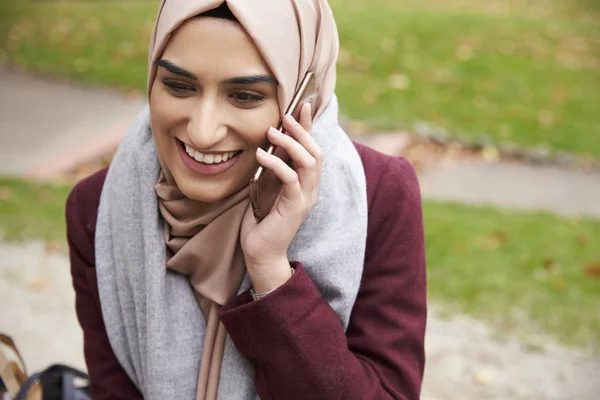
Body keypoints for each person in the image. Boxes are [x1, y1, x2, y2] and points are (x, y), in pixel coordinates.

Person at [65, 1, 427, 399]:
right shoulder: (100, 207)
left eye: (244, 96)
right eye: (179, 86)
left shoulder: (379, 196)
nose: (203, 133)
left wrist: (272, 274)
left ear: (301, 98)